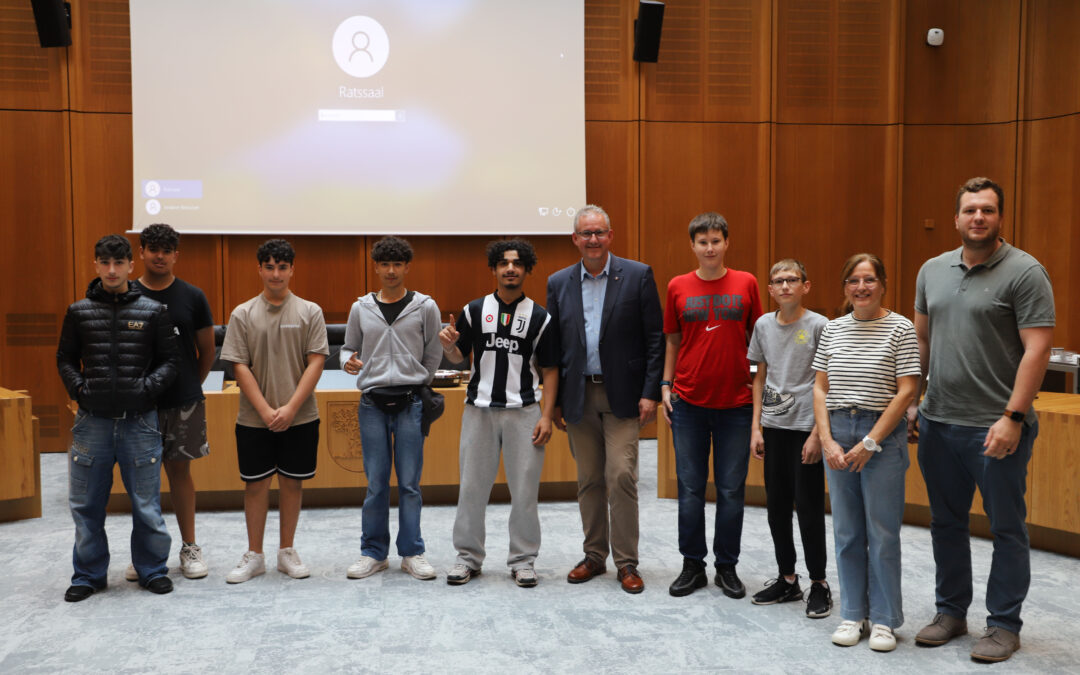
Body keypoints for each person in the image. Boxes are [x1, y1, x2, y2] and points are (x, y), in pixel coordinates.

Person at [910, 177, 1054, 663]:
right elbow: (922, 341)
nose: (978, 217)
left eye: (987, 210)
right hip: (938, 424)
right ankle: (951, 612)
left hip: (996, 427)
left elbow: (1038, 348)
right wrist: (915, 399)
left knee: (1006, 528)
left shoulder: (1025, 271)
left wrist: (1013, 416)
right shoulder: (931, 270)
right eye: (970, 209)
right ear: (956, 218)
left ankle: (1003, 625)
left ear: (999, 217)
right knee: (945, 524)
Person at [546, 204, 664, 594]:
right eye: (586, 234)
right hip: (578, 395)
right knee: (589, 480)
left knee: (621, 476)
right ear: (575, 240)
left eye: (599, 233)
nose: (593, 240)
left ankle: (627, 563)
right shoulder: (559, 282)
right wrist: (557, 402)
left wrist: (650, 392)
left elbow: (653, 339)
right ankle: (594, 556)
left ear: (610, 236)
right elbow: (553, 348)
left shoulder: (637, 275)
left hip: (624, 396)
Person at [56, 234, 179, 601]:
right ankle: (89, 574)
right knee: (86, 504)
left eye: (118, 263)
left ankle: (151, 569)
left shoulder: (153, 310)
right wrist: (79, 390)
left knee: (146, 504)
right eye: (104, 263)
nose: (111, 270)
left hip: (139, 422)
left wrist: (146, 389)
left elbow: (171, 361)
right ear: (96, 265)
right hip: (92, 422)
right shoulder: (78, 312)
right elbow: (64, 359)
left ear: (130, 266)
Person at [811, 253, 920, 652]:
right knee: (846, 531)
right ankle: (853, 613)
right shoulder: (833, 330)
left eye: (869, 280)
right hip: (838, 431)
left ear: (883, 283)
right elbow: (820, 388)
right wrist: (826, 439)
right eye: (854, 281)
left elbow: (908, 389)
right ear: (845, 287)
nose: (861, 287)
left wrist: (870, 442)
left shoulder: (900, 328)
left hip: (881, 437)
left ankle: (886, 620)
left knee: (882, 532)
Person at [439, 239, 559, 588]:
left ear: (526, 270)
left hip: (524, 412)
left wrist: (547, 416)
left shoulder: (541, 317)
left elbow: (550, 370)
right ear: (493, 268)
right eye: (504, 263)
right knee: (472, 488)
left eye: (518, 263)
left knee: (525, 491)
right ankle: (467, 558)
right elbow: (459, 358)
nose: (510, 268)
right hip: (479, 411)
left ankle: (523, 560)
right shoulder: (474, 310)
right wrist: (449, 346)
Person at [661, 212, 763, 598]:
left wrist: (756, 384)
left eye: (716, 241)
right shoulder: (677, 286)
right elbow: (672, 340)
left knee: (731, 490)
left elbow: (759, 339)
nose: (709, 248)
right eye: (702, 242)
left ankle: (726, 567)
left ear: (726, 243)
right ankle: (692, 565)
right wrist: (666, 385)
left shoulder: (746, 283)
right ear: (693, 246)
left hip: (736, 403)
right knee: (689, 489)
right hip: (688, 402)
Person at [219, 239, 328, 583]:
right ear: (259, 269)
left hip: (301, 416)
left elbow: (316, 362)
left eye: (282, 267)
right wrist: (266, 411)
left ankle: (286, 552)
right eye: (269, 267)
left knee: (292, 484)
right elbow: (239, 365)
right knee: (255, 485)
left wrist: (291, 408)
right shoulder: (242, 313)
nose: (276, 273)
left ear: (292, 269)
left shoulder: (310, 311)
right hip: (254, 418)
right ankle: (255, 554)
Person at [340, 236, 443, 581]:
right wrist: (346, 361)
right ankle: (373, 553)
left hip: (411, 402)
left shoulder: (425, 306)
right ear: (376, 267)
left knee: (410, 482)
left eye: (397, 264)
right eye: (385, 264)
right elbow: (348, 347)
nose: (391, 271)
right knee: (376, 483)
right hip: (372, 403)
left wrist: (420, 379)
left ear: (406, 267)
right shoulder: (361, 308)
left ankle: (412, 552)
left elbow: (433, 351)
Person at [119, 223, 215, 582]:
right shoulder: (125, 294)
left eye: (167, 249)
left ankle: (190, 546)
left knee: (180, 474)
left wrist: (190, 384)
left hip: (182, 402)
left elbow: (206, 351)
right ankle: (146, 550)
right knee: (141, 481)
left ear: (176, 255)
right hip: (137, 404)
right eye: (153, 249)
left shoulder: (192, 296)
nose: (159, 256)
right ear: (140, 253)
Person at [747, 259, 831, 617]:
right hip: (774, 429)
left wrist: (817, 435)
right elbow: (758, 378)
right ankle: (788, 579)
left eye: (792, 280)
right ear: (770, 290)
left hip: (805, 432)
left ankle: (819, 584)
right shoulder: (763, 325)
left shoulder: (819, 326)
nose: (784, 286)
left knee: (809, 510)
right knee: (777, 509)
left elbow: (826, 384)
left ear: (805, 286)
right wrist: (756, 427)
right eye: (778, 281)